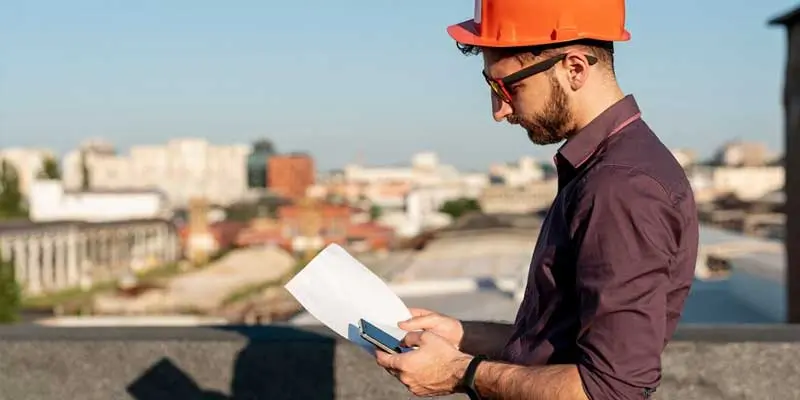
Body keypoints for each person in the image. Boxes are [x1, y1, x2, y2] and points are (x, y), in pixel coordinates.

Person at [375, 0, 699, 399]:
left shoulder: (620, 187)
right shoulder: (603, 169)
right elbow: (558, 346)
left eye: (507, 86)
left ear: (575, 68)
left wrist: (461, 372)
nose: (499, 110)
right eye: (490, 87)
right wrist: (462, 335)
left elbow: (613, 391)